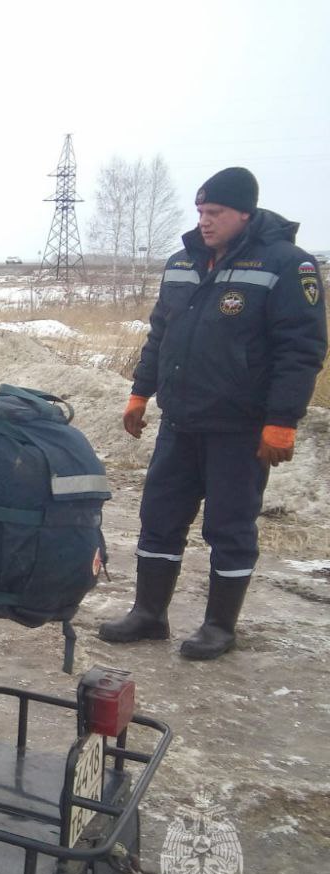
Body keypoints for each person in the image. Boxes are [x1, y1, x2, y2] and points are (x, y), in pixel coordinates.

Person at [99, 167, 326, 660]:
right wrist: (141, 393)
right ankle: (149, 614)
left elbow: (300, 350)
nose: (204, 221)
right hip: (180, 423)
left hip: (240, 430)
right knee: (158, 519)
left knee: (229, 527)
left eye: (215, 213)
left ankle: (220, 626)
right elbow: (161, 332)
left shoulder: (287, 265)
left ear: (245, 212)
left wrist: (282, 420)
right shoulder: (182, 262)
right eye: (200, 212)